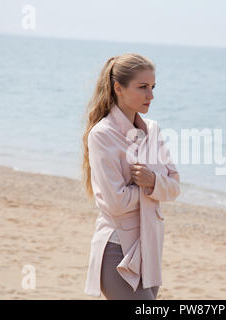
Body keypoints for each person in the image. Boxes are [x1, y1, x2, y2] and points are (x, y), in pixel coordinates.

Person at [81, 53, 181, 299]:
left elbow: (175, 187)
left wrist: (153, 181)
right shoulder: (101, 135)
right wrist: (152, 188)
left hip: (151, 250)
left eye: (153, 87)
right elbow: (116, 203)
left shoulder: (153, 130)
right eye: (143, 87)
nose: (151, 95)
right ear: (119, 88)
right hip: (118, 251)